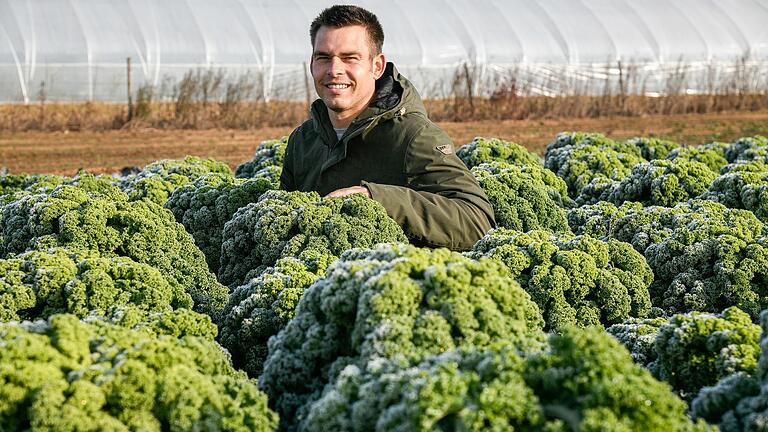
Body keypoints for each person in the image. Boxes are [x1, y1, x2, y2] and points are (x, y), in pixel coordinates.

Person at [279, 4, 495, 251]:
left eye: (350, 58)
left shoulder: (414, 136)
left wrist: (376, 198)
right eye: (323, 57)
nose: (334, 70)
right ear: (311, 64)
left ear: (377, 66)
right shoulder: (303, 140)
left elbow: (477, 222)